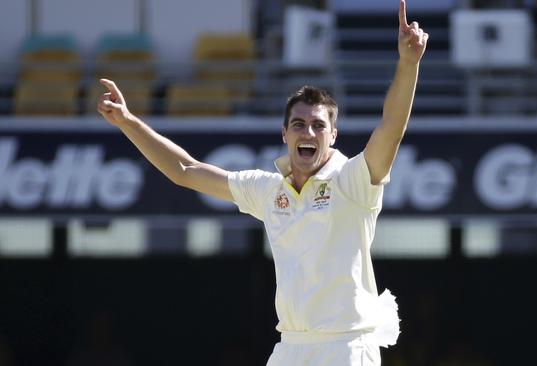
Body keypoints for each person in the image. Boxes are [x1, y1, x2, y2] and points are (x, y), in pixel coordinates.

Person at [97, 1, 428, 364]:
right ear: (285, 133)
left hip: (347, 347)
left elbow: (390, 130)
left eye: (319, 126)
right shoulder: (268, 190)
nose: (309, 132)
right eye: (299, 124)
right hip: (290, 346)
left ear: (333, 135)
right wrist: (128, 122)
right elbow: (185, 171)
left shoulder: (353, 181)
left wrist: (408, 64)